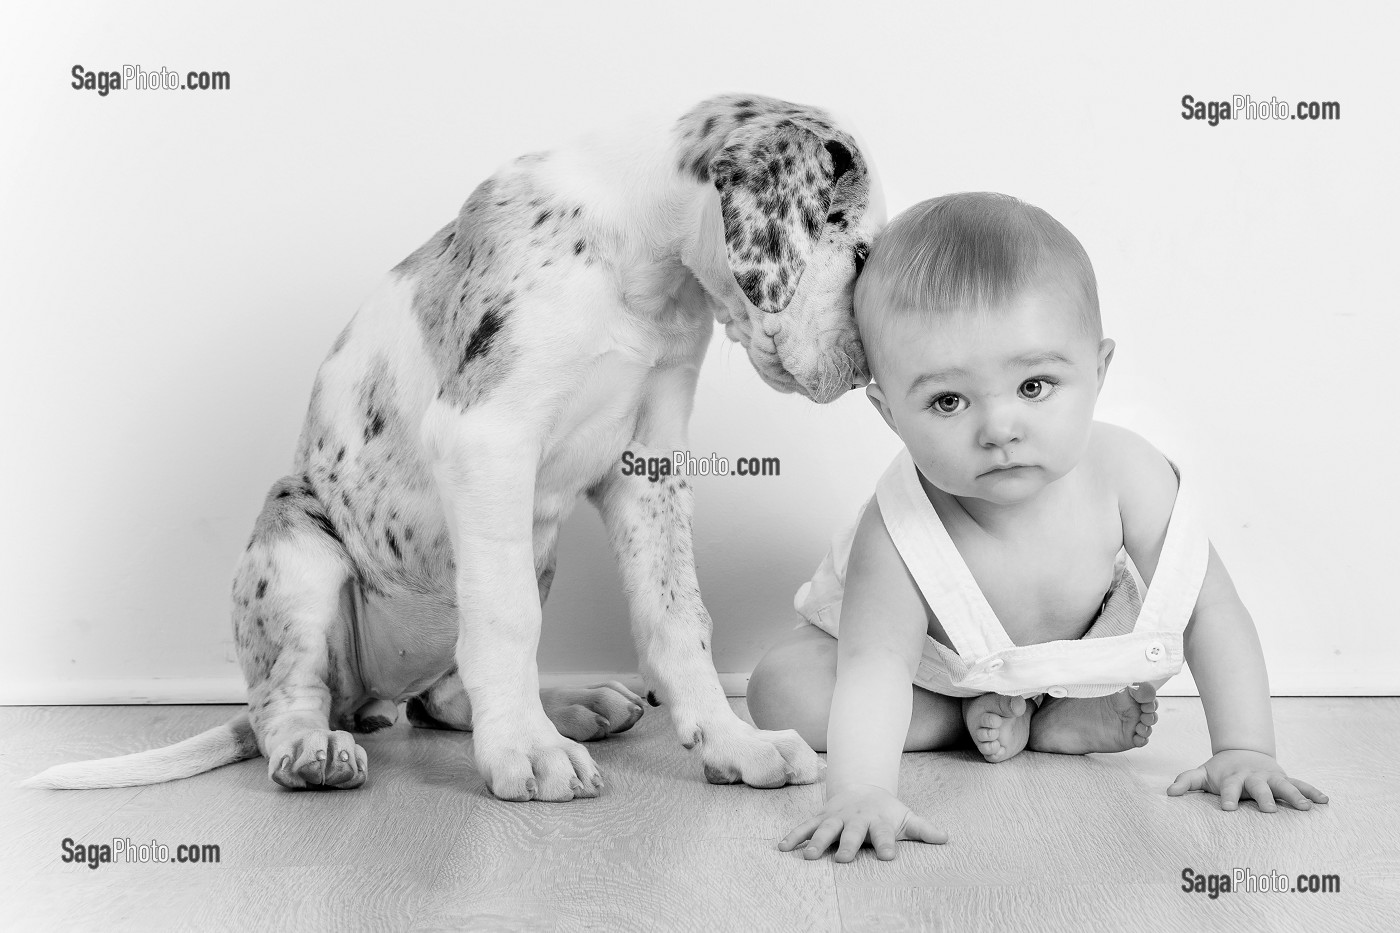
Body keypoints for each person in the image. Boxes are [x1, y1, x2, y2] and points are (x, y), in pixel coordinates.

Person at [746, 193, 1329, 863]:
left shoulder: (1129, 474)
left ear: (1098, 372)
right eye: (947, 400)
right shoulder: (899, 521)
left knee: (1171, 612)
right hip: (933, 674)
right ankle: (975, 718)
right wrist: (862, 789)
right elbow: (876, 661)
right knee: (779, 688)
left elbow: (1211, 609)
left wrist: (1244, 747)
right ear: (888, 412)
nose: (999, 428)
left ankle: (1052, 710)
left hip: (1066, 659)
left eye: (1034, 386)